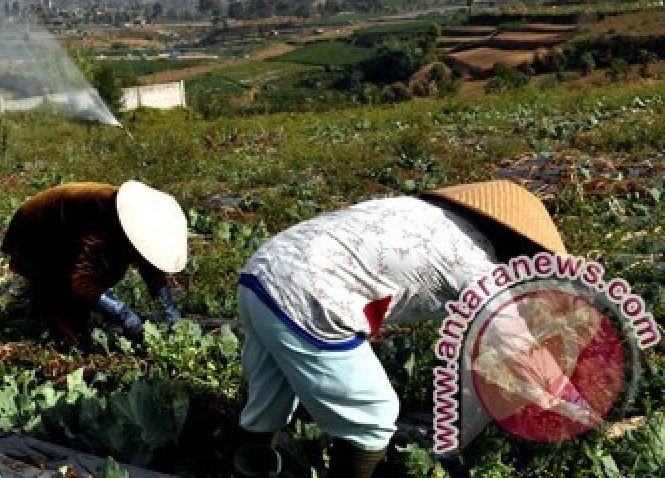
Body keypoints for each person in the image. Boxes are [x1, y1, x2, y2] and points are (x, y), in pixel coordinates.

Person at [235, 180, 589, 478]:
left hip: (260, 273)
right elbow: (517, 349)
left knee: (269, 399)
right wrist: (575, 408)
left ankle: (247, 467)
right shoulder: (477, 264)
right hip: (309, 294)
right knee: (372, 419)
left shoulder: (422, 213)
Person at [1, 180, 188, 341]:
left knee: (97, 280)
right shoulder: (101, 220)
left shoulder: (137, 220)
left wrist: (168, 307)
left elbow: (149, 266)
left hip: (67, 224)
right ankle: (33, 329)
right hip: (39, 229)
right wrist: (122, 313)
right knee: (60, 295)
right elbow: (80, 280)